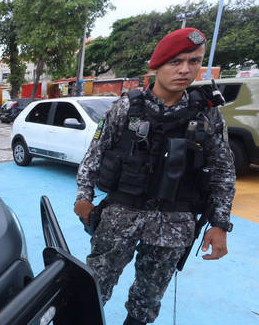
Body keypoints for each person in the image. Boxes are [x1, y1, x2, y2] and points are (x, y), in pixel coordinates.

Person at [73, 28, 235, 325]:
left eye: (194, 61)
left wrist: (220, 223)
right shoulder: (127, 108)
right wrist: (84, 196)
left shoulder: (206, 115)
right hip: (120, 216)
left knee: (147, 300)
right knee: (94, 285)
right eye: (176, 61)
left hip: (174, 225)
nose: (185, 69)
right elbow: (95, 154)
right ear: (157, 65)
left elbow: (223, 170)